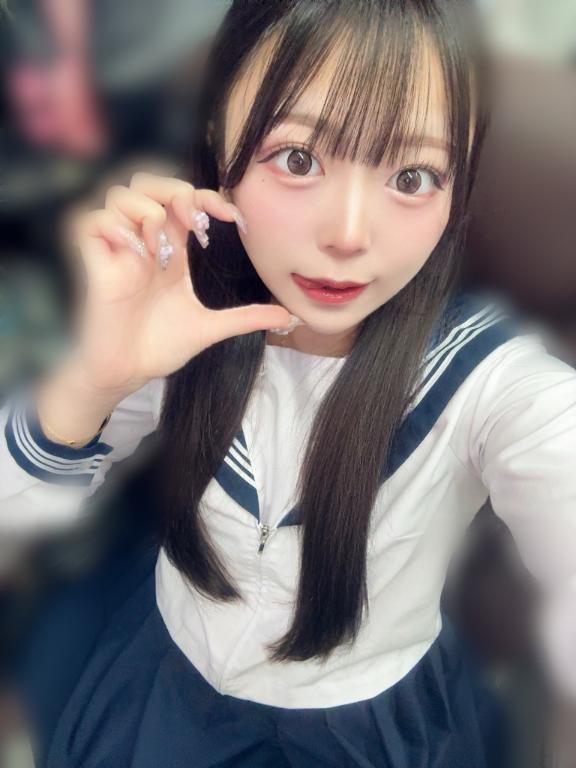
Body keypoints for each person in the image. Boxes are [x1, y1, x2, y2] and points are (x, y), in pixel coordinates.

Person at [1, 1, 576, 765]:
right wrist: (93, 379)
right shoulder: (180, 306)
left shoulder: (490, 383)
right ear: (220, 138)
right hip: (167, 681)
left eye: (413, 175)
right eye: (298, 158)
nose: (349, 234)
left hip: (368, 726)